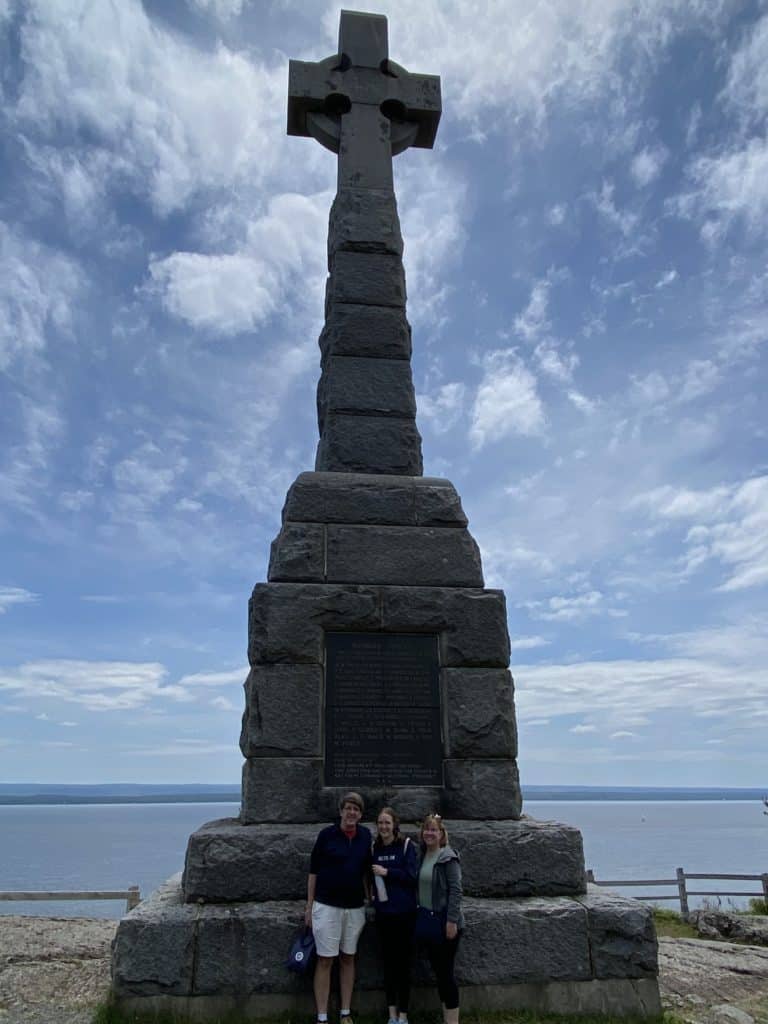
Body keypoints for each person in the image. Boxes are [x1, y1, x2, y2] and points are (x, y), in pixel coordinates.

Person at [306, 792, 372, 1024]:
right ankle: (322, 1016)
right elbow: (313, 871)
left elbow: (366, 871)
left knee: (348, 958)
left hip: (354, 907)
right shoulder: (326, 835)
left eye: (356, 809)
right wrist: (309, 906)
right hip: (326, 905)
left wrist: (369, 897)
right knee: (325, 959)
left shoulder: (365, 836)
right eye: (348, 808)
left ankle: (345, 1012)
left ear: (360, 814)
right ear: (341, 811)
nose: (351, 812)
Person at [371, 806, 418, 1024]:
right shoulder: (374, 848)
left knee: (404, 965)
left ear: (395, 825)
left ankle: (404, 1014)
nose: (383, 827)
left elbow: (411, 876)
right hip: (384, 914)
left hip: (405, 914)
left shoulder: (406, 846)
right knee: (388, 965)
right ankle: (391, 1014)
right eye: (380, 823)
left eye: (387, 823)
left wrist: (387, 872)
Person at [416, 813, 464, 1024]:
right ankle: (447, 1018)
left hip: (446, 922)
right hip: (429, 921)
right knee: (439, 973)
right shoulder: (422, 855)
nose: (429, 833)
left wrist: (451, 921)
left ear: (441, 833)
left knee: (446, 975)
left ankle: (452, 1021)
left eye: (434, 829)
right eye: (427, 829)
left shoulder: (448, 857)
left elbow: (456, 890)